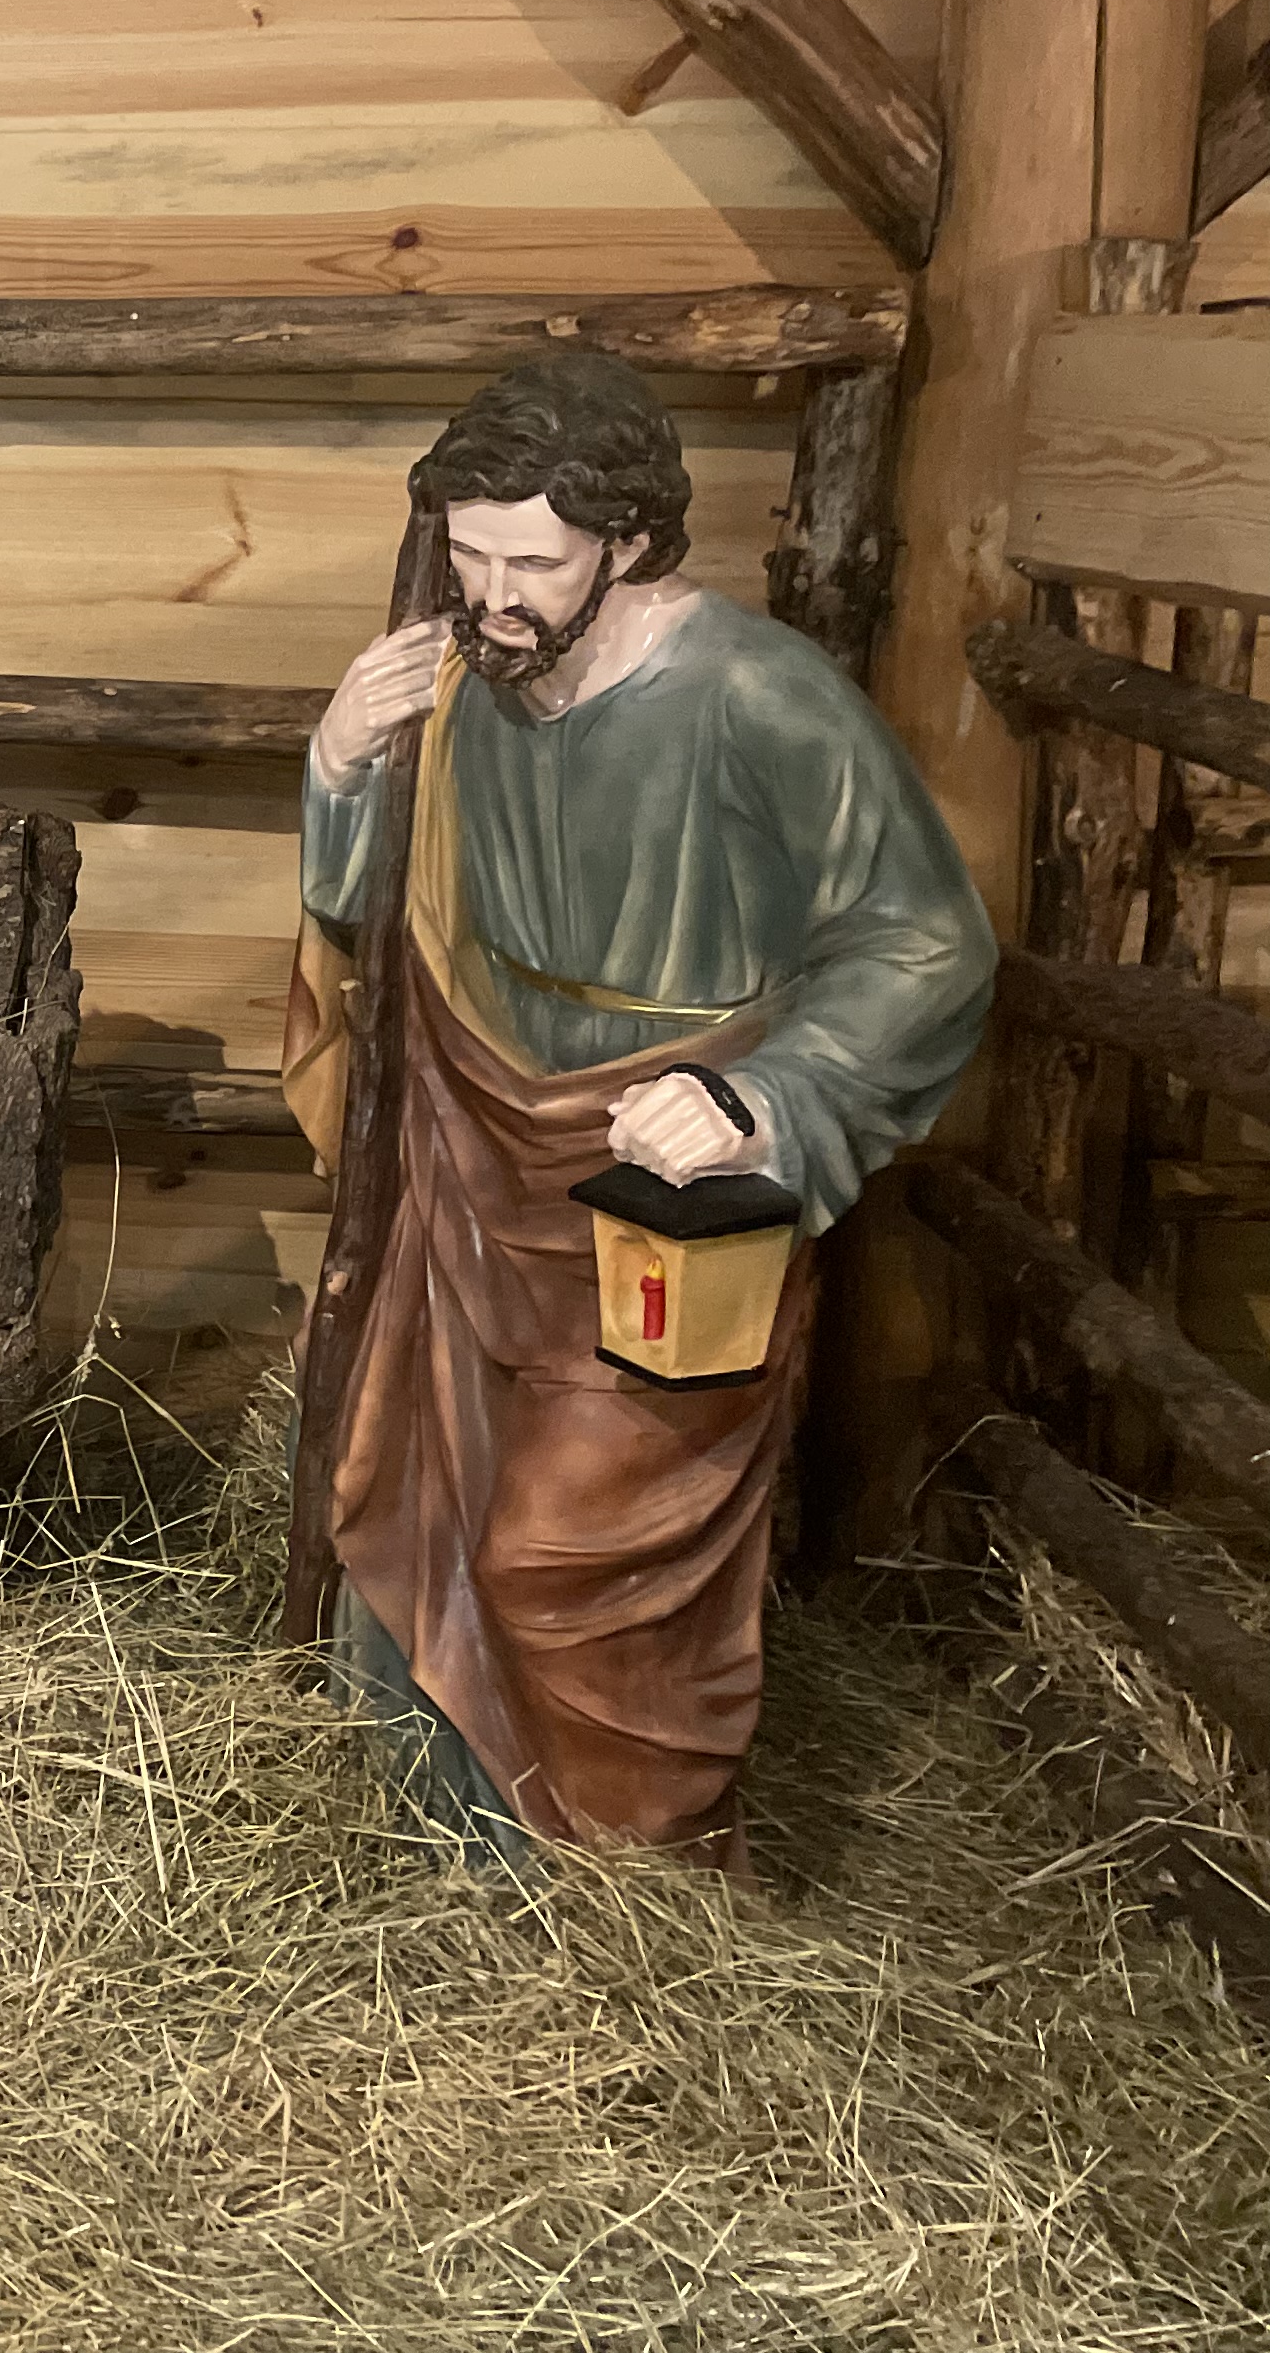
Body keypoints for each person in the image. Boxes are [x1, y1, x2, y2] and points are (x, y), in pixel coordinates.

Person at [290, 353, 991, 1872]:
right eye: (470, 558)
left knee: (573, 1548)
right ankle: (447, 1856)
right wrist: (343, 764)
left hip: (658, 1189)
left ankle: (626, 1893)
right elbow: (369, 916)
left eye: (533, 562)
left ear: (633, 542)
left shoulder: (758, 696)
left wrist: (762, 1092)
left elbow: (926, 942)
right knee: (417, 1498)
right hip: (474, 1151)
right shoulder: (461, 679)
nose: (495, 596)